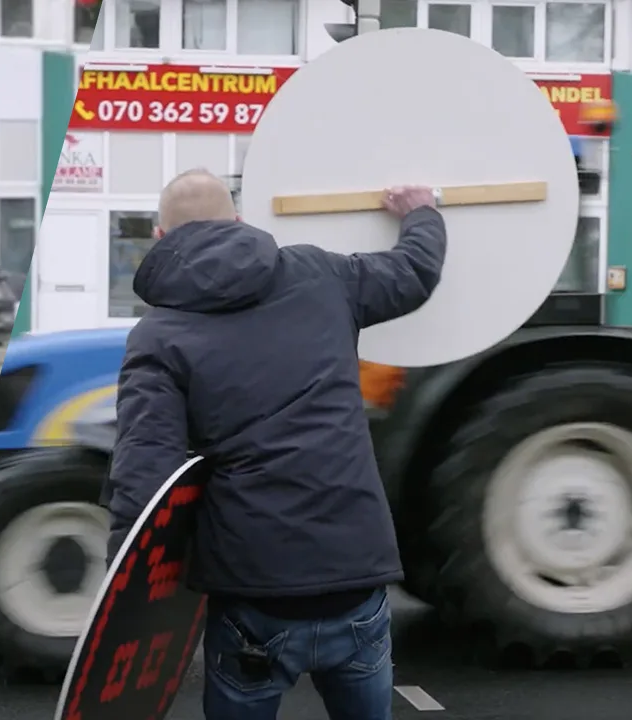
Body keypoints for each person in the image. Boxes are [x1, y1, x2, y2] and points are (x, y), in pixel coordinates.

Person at [106, 169, 446, 720]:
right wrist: (421, 212)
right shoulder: (320, 273)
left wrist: (126, 605)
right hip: (354, 578)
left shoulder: (158, 335)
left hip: (253, 599)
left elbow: (144, 479)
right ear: (238, 222)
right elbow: (414, 273)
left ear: (160, 235)